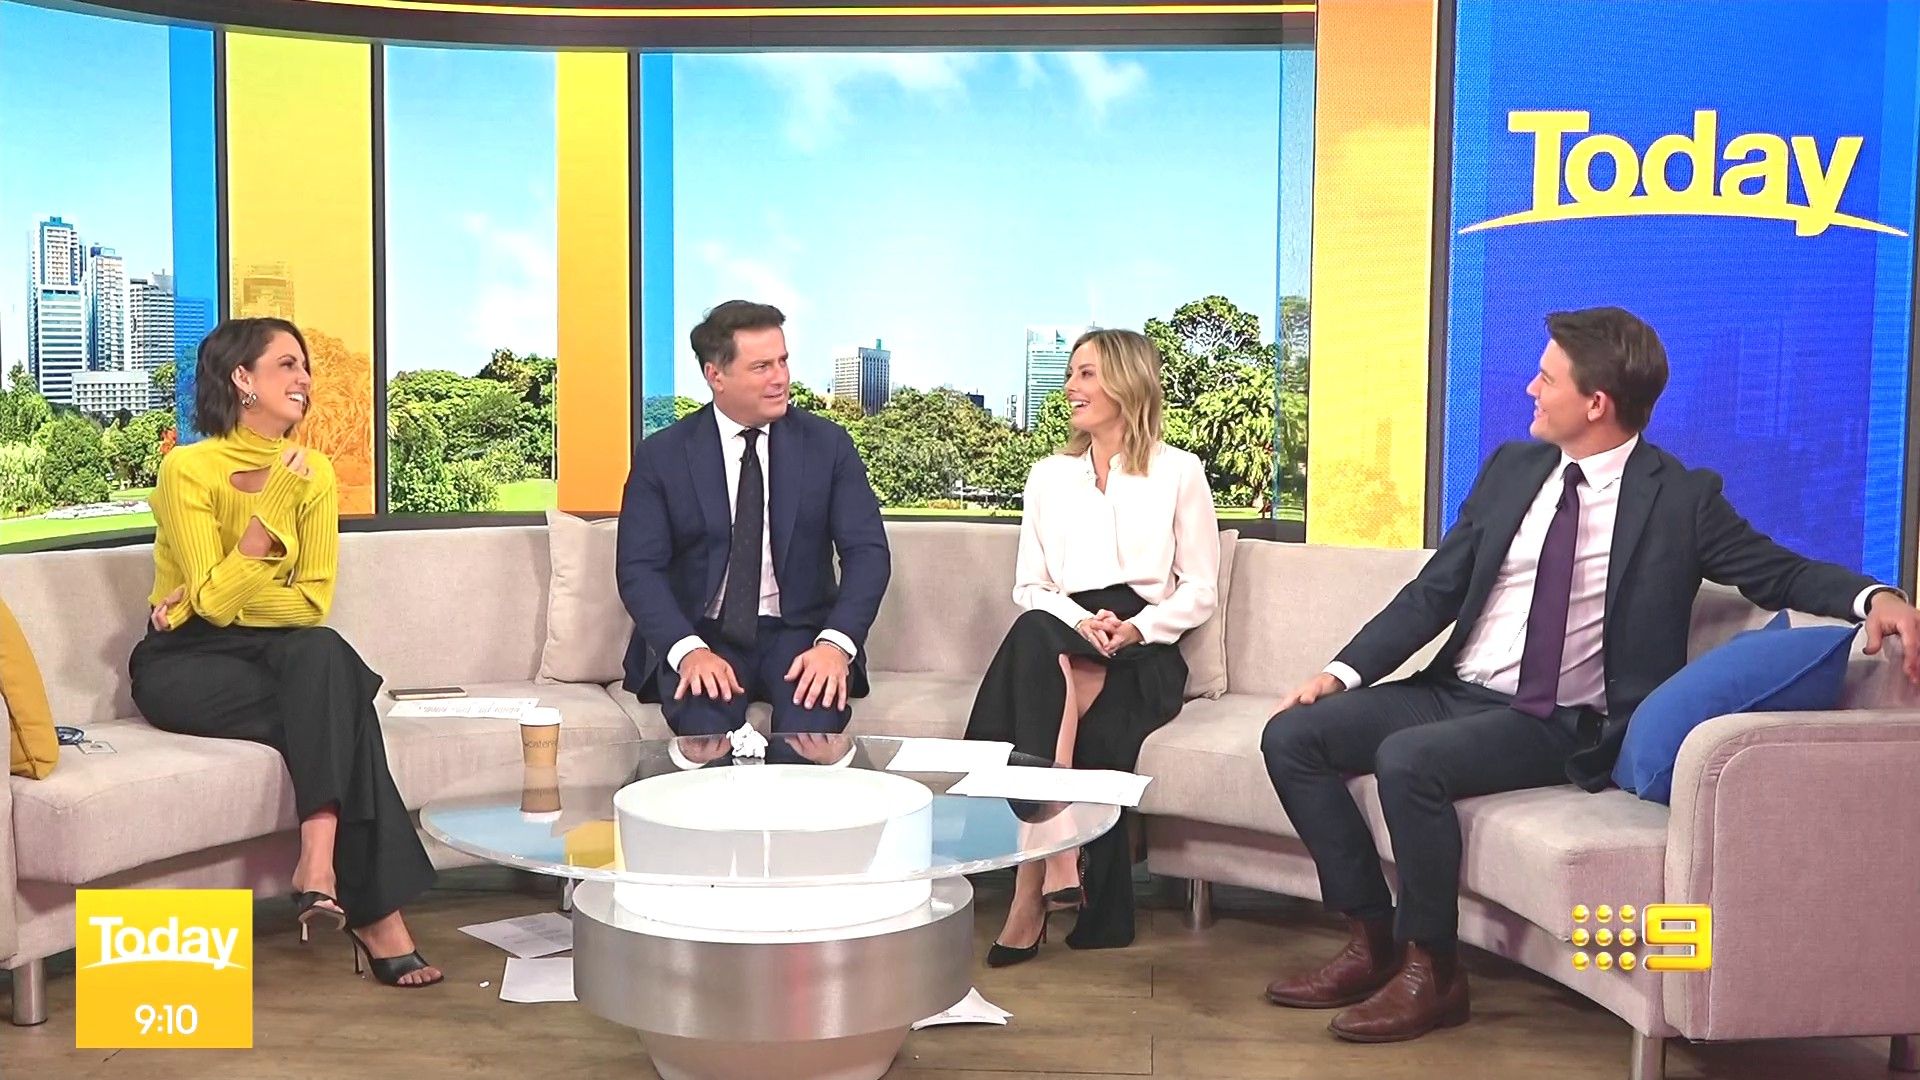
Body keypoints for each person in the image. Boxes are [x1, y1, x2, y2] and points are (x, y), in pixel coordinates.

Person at [1260, 306, 1920, 1043]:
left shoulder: (1680, 500)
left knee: (1408, 762)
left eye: (1547, 378)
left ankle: (1433, 970)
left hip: (1556, 721)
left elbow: (1779, 571)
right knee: (1293, 736)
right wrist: (1341, 673)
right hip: (1453, 690)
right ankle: (1370, 937)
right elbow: (1435, 592)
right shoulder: (1513, 469)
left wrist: (1875, 597)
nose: (1530, 389)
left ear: (1596, 402)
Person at [131, 318, 442, 988]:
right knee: (341, 704)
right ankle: (374, 915)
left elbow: (309, 603)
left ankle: (319, 866)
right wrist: (204, 597)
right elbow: (214, 610)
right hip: (186, 661)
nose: (304, 379)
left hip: (282, 655)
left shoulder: (316, 473)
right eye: (287, 365)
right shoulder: (188, 468)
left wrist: (206, 594)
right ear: (242, 378)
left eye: (305, 367)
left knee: (322, 653)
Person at [964, 328, 1220, 965]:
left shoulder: (1180, 471)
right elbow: (1031, 587)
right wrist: (1082, 623)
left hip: (1145, 646)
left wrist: (1137, 628)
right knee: (1038, 638)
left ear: (1127, 383)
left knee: (1043, 678)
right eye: (1071, 374)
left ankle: (1033, 887)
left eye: (1086, 374)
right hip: (1065, 628)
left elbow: (1201, 589)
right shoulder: (1048, 476)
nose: (1070, 388)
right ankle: (1044, 874)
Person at [617, 300, 891, 738]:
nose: (780, 378)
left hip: (802, 634)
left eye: (783, 361)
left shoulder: (828, 446)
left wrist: (836, 645)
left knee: (810, 734)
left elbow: (868, 554)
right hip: (703, 633)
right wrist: (688, 652)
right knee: (706, 734)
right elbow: (638, 570)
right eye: (761, 367)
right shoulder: (663, 455)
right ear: (716, 376)